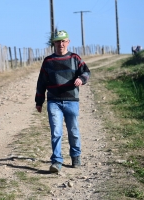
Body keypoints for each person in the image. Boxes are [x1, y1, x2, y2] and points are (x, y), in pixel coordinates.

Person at [35, 30, 90, 173]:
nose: (61, 44)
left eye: (63, 41)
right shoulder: (48, 61)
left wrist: (81, 79)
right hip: (54, 102)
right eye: (58, 41)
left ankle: (76, 156)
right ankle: (57, 161)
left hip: (72, 100)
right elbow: (41, 82)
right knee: (56, 132)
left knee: (73, 131)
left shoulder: (75, 58)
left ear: (68, 42)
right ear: (54, 43)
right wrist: (39, 101)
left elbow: (86, 72)